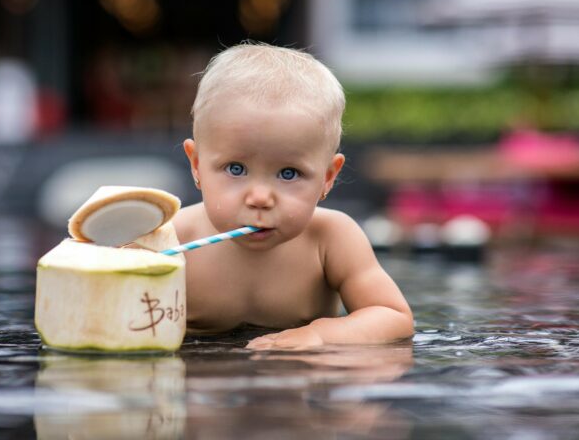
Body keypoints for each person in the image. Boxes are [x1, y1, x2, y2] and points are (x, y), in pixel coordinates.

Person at [174, 42, 413, 349]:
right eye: (235, 168)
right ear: (197, 165)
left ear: (328, 177)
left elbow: (392, 315)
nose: (260, 197)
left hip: (297, 385)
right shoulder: (174, 238)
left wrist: (319, 335)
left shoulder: (330, 238)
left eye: (289, 173)